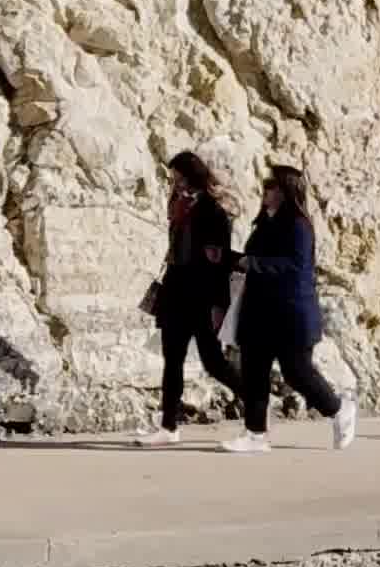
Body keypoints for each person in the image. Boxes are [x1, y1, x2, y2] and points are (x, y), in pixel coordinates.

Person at [228, 163, 357, 452]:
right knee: (254, 370)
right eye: (265, 184)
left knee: (296, 372)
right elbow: (255, 259)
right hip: (260, 311)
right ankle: (255, 434)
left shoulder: (299, 225)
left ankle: (338, 409)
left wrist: (254, 263)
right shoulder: (264, 223)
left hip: (291, 313)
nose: (265, 190)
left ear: (286, 191)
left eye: (271, 185)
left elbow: (297, 266)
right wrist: (231, 259)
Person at [137, 149, 240, 444]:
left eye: (178, 177)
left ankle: (256, 401)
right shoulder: (178, 206)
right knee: (173, 360)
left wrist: (219, 305)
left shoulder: (214, 211)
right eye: (173, 178)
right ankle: (168, 427)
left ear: (191, 175)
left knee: (213, 362)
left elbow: (219, 264)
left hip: (202, 297)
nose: (175, 183)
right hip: (175, 291)